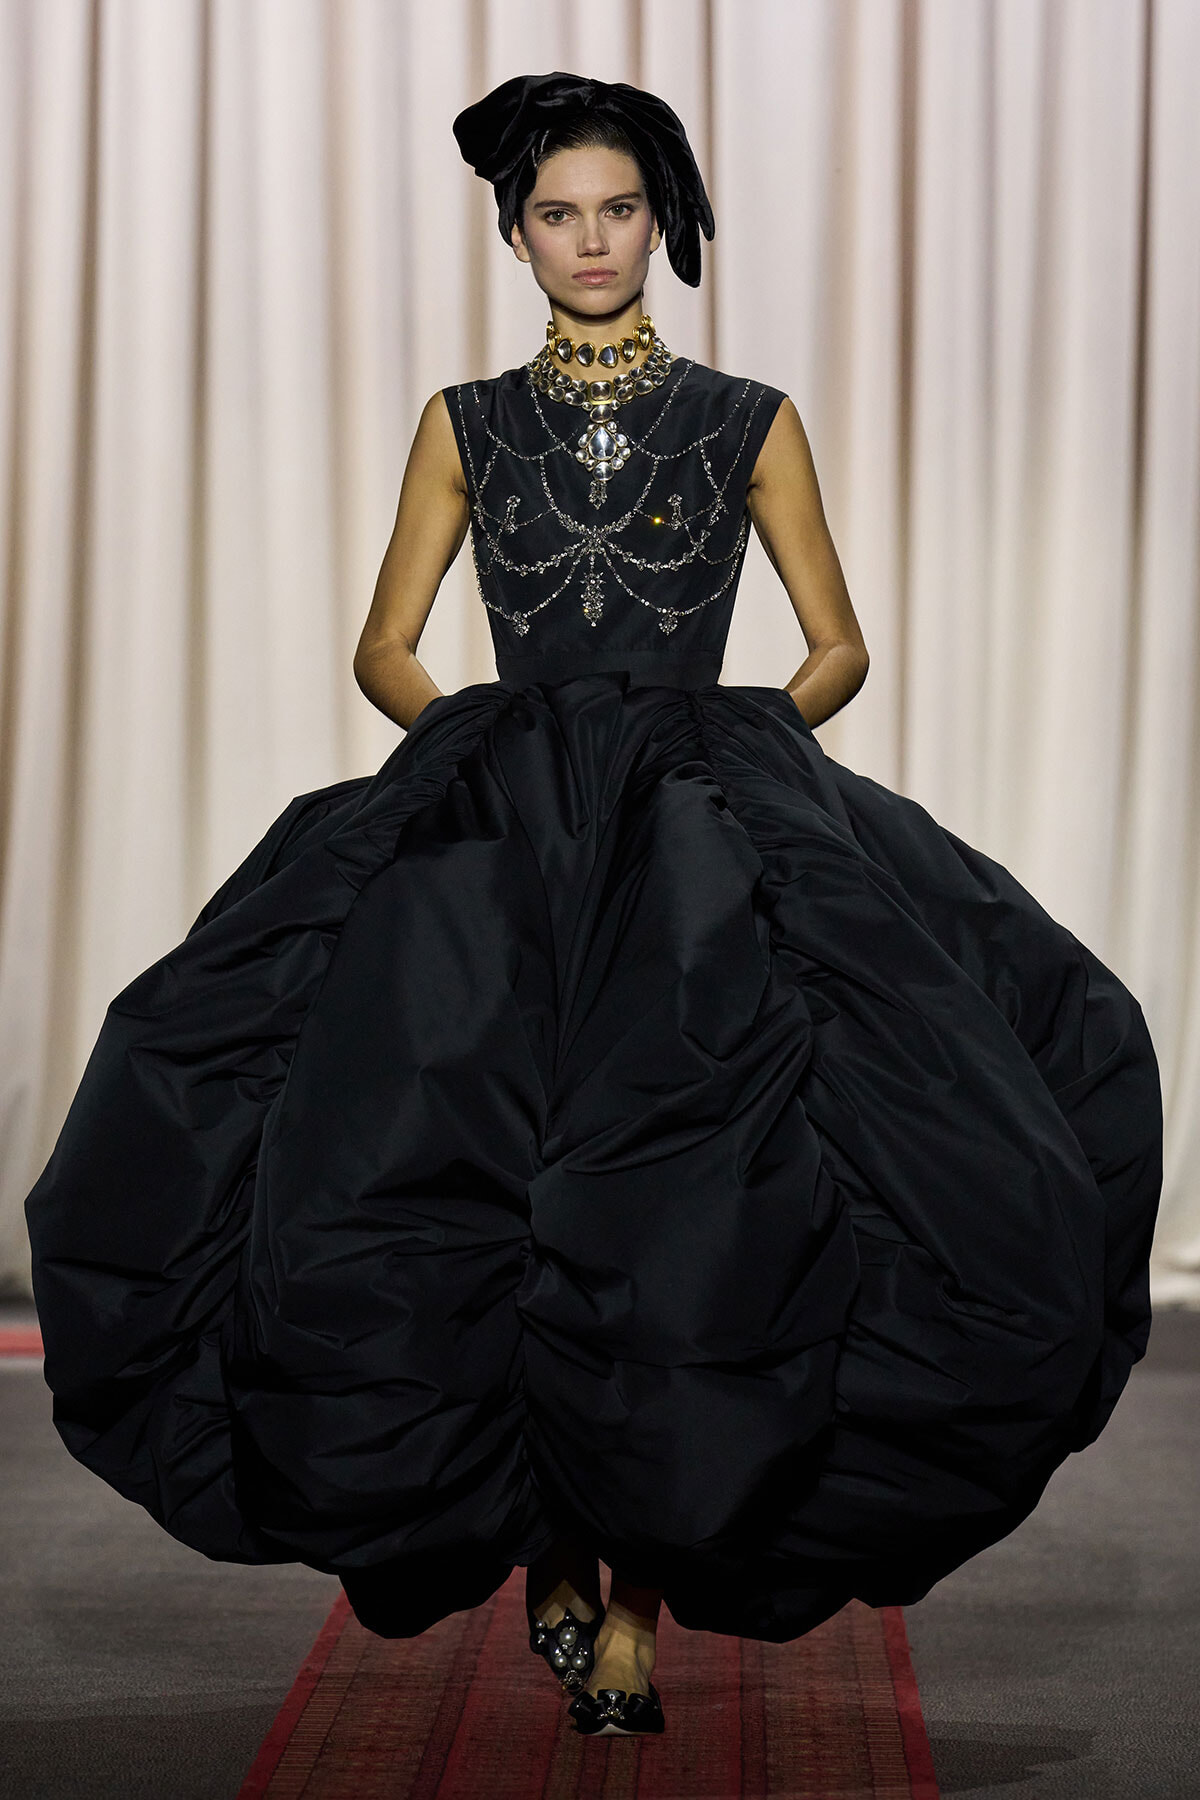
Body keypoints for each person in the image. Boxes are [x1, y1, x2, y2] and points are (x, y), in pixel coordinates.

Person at [25, 72, 1162, 1743]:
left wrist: (739, 741)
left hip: (695, 832)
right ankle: (548, 1545)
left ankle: (628, 1598)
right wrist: (478, 746)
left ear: (666, 224)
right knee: (482, 1173)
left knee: (678, 1194)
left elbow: (838, 639)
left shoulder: (748, 414)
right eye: (558, 212)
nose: (591, 240)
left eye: (619, 209)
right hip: (506, 828)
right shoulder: (466, 421)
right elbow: (386, 641)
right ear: (514, 231)